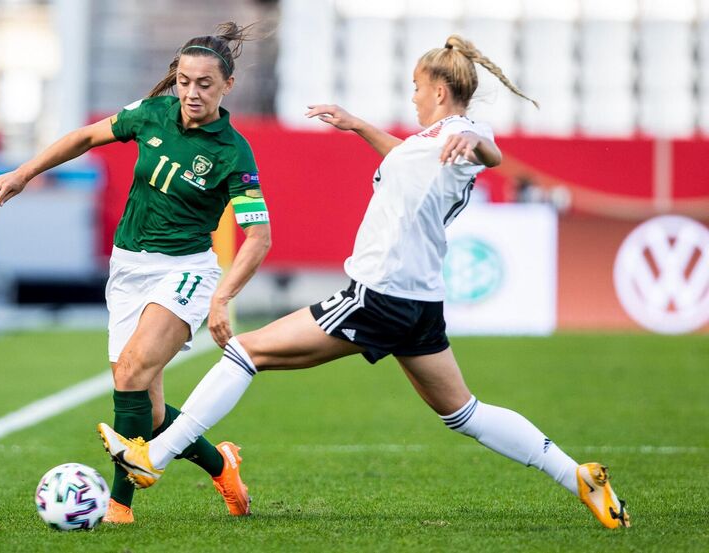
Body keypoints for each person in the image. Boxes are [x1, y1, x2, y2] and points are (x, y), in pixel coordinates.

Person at [98, 35, 630, 529]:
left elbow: (484, 150)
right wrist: (357, 125)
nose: (414, 96)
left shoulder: (462, 135)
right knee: (465, 413)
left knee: (244, 352)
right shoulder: (428, 142)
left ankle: (154, 459)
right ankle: (575, 475)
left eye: (418, 88)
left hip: (376, 295)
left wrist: (470, 136)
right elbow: (409, 156)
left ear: (440, 91)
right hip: (419, 305)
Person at [0, 22, 271, 523]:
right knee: (149, 410)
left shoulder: (232, 152)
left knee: (134, 369)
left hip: (186, 271)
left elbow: (259, 238)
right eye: (184, 81)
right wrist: (23, 172)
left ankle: (118, 506)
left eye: (205, 83)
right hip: (127, 268)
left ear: (227, 86)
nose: (191, 92)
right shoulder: (151, 113)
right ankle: (220, 465)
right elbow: (85, 137)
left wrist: (223, 296)